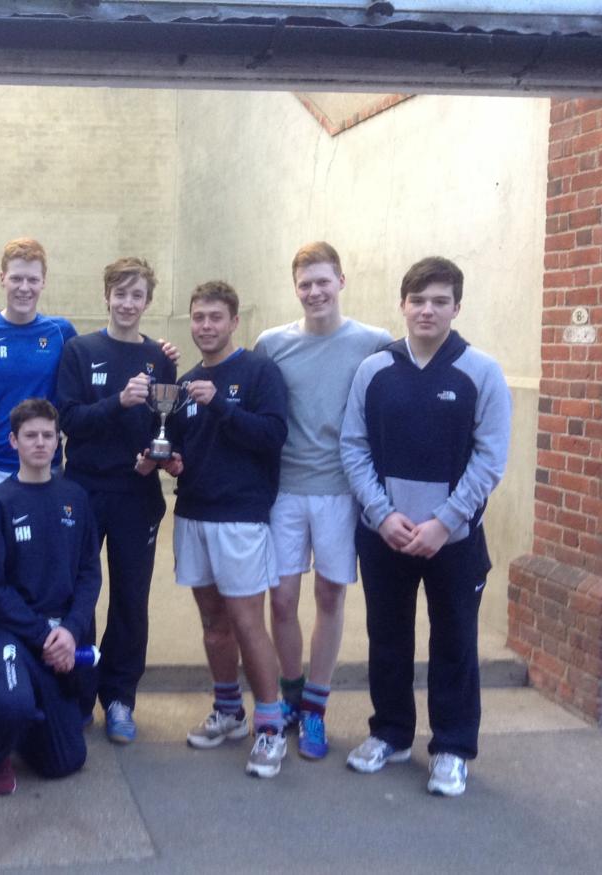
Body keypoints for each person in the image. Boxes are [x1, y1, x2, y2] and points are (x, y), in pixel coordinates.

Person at [341, 256, 510, 797]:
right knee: (387, 638)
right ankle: (390, 733)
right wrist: (381, 514)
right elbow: (353, 447)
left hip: (453, 543)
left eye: (440, 301)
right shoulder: (375, 370)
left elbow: (490, 459)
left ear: (456, 307)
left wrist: (444, 522)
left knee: (454, 641)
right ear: (403, 305)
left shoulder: (480, 372)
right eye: (418, 300)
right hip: (384, 536)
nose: (427, 310)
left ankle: (452, 748)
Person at [253, 242, 392, 759]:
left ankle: (315, 709)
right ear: (296, 288)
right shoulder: (271, 344)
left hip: (340, 493)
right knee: (283, 600)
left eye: (322, 281)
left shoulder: (374, 342)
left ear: (341, 281)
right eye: (305, 284)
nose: (314, 292)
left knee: (330, 598)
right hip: (285, 491)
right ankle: (289, 696)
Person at [166, 280, 290, 778]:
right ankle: (229, 712)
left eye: (216, 317)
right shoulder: (187, 380)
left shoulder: (260, 372)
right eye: (198, 317)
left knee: (246, 622)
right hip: (193, 514)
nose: (206, 326)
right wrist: (171, 461)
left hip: (240, 518)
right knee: (213, 623)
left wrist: (221, 404)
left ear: (235, 321)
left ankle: (270, 727)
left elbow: (272, 436)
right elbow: (179, 443)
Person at [0, 238, 76, 728]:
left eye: (33, 278)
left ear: (44, 282)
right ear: (1, 278)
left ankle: (44, 674)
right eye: (16, 277)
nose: (24, 286)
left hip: (48, 475)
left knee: (46, 582)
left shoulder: (62, 332)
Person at [55, 257, 176, 745]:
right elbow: (67, 419)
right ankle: (79, 695)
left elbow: (166, 427)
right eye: (120, 293)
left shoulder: (161, 359)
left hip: (136, 495)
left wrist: (156, 456)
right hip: (83, 492)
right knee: (78, 597)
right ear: (106, 295)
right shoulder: (78, 351)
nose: (128, 303)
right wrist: (117, 403)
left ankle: (120, 697)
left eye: (138, 295)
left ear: (148, 301)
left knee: (131, 599)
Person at [0, 398, 102, 795]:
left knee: (66, 762)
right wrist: (42, 634)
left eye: (48, 435)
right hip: (12, 631)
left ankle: (25, 717)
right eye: (31, 436)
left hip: (63, 632)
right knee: (14, 705)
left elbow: (89, 573)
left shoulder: (75, 499)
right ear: (13, 442)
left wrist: (71, 631)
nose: (41, 443)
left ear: (59, 441)